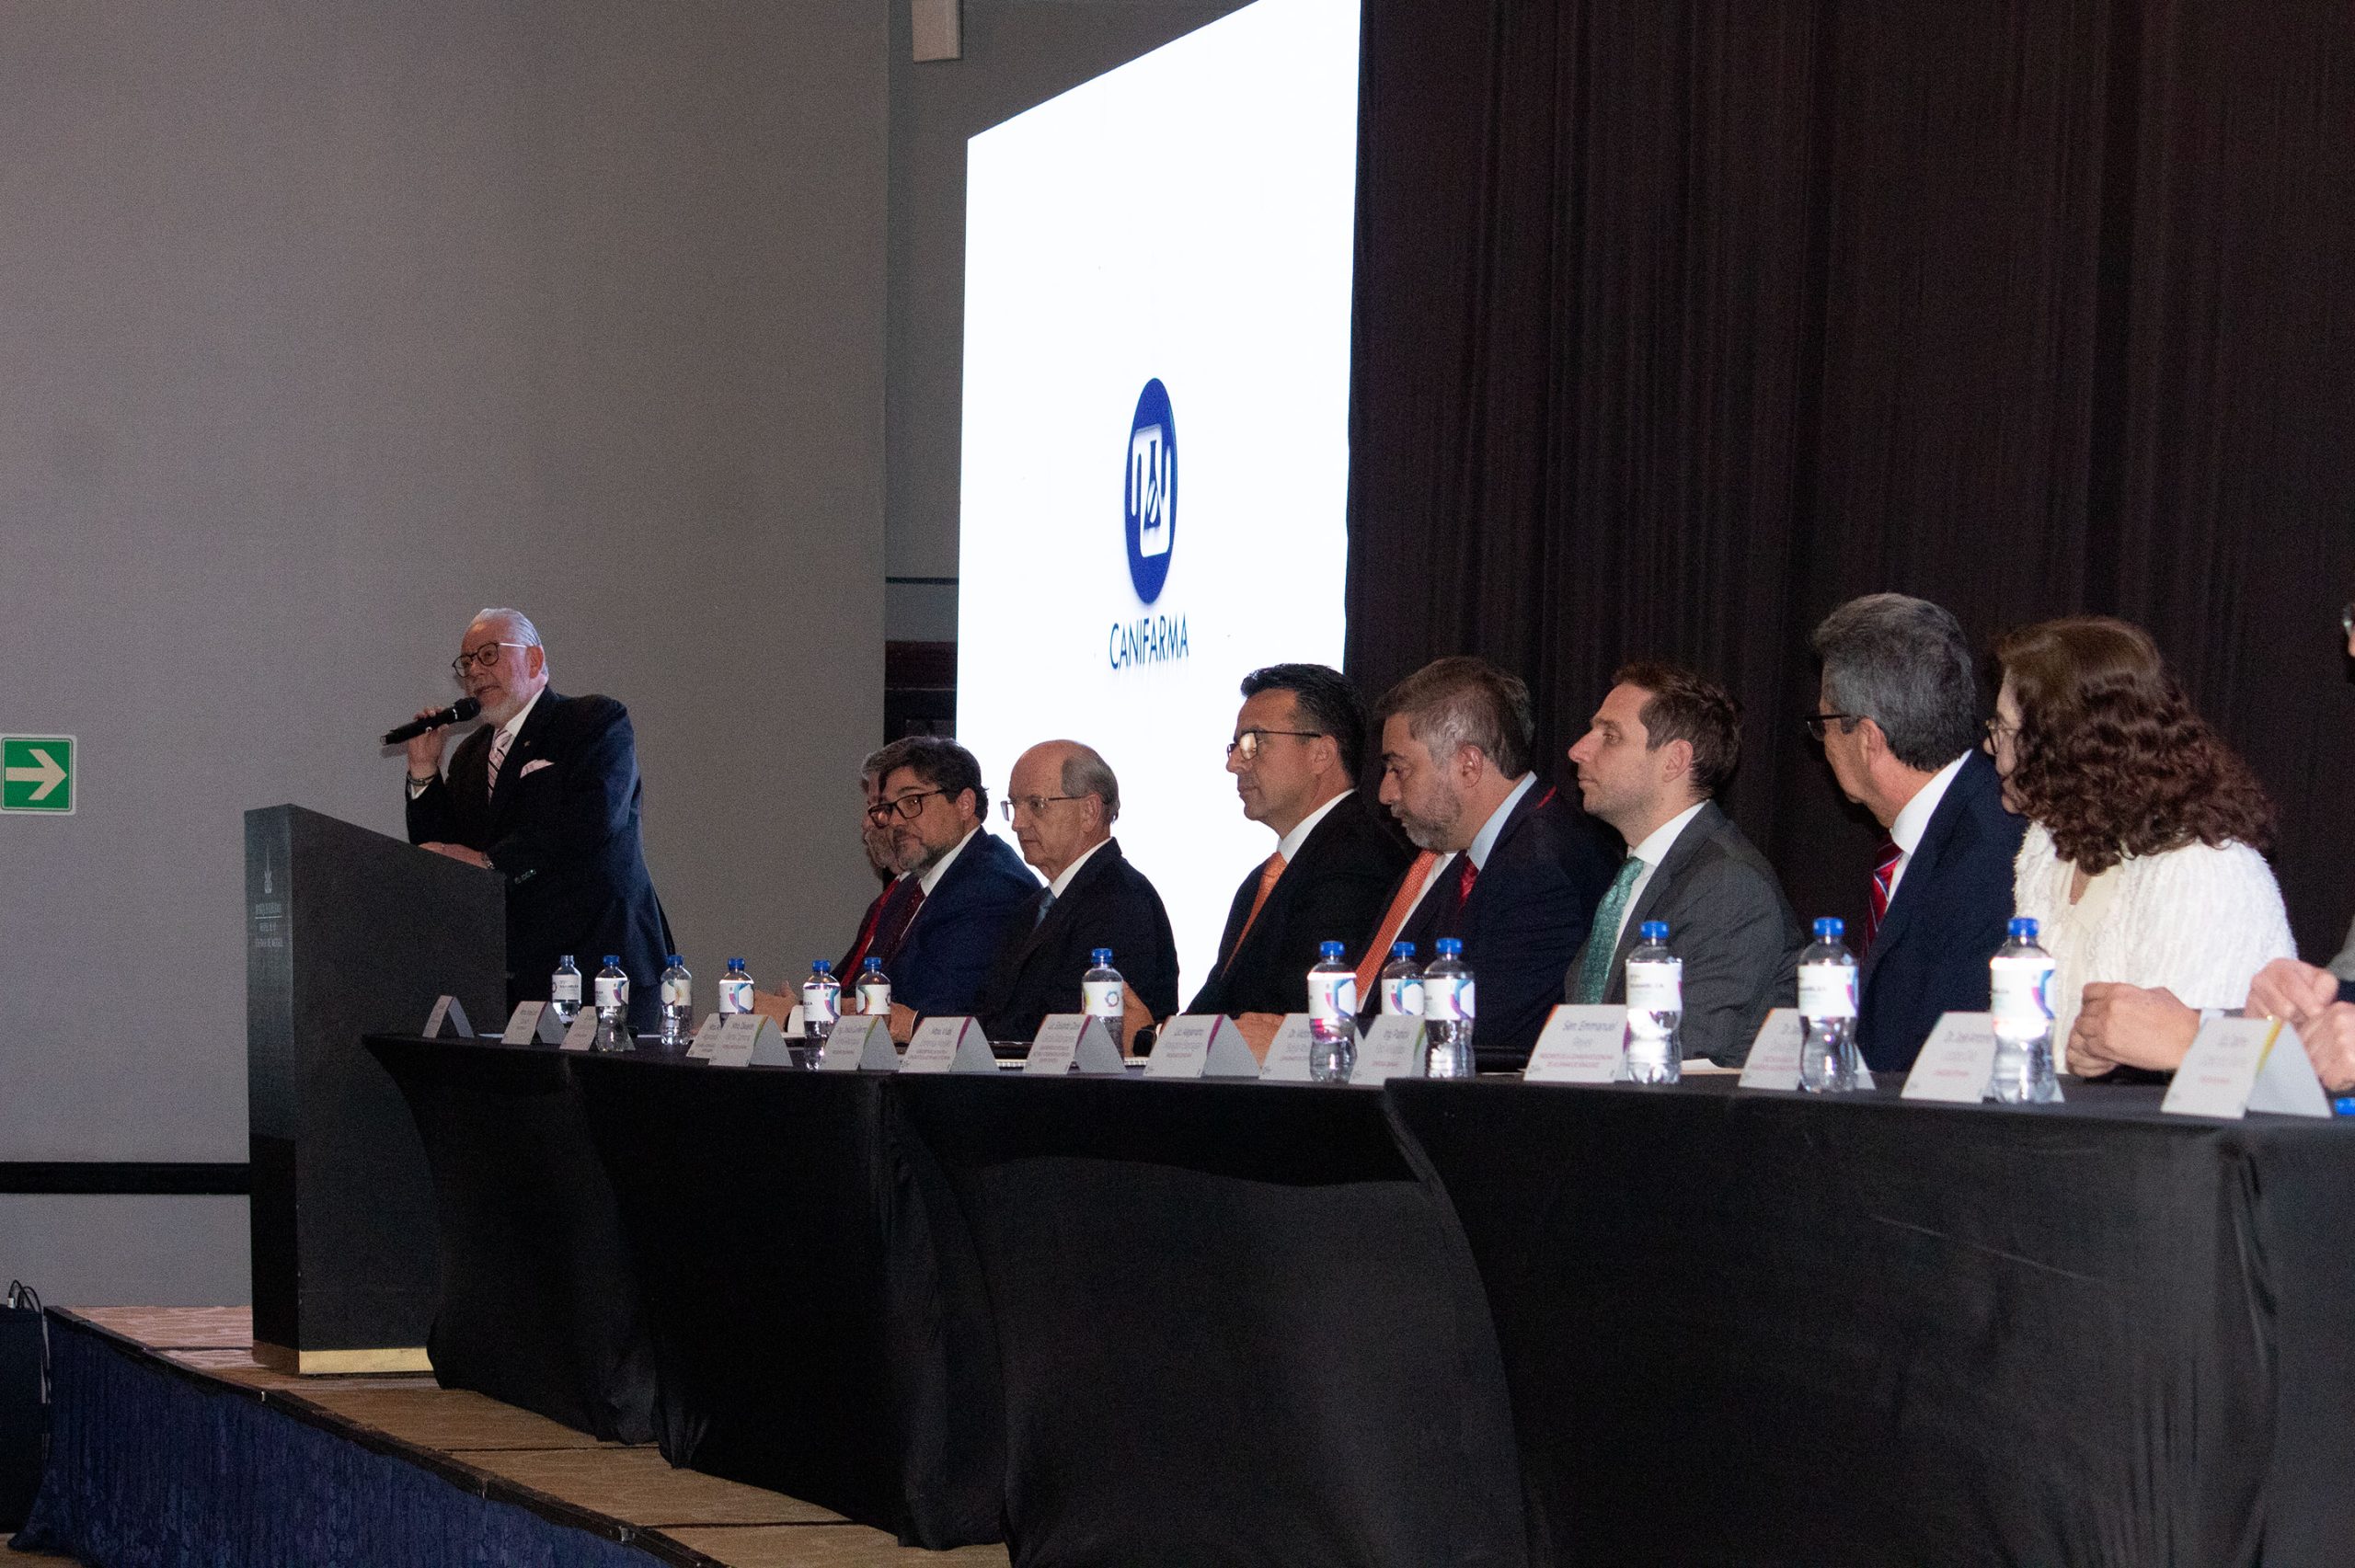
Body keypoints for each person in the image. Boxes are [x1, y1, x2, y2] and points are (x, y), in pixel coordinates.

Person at [1985, 617, 2293, 1077]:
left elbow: (2212, 1078)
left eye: (2007, 731)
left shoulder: (2204, 871)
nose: (1991, 746)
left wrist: (2116, 1062)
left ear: (2069, 749)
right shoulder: (2046, 845)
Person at [404, 608, 671, 1030]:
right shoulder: (471, 755)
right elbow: (443, 855)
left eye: (488, 655)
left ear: (534, 659)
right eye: (467, 662)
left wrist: (492, 862)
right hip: (518, 978)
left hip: (601, 966)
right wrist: (423, 771)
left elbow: (592, 819)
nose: (474, 671)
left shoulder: (592, 721)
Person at [1360, 657, 1616, 1069]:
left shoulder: (1541, 868)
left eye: (1398, 769)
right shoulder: (1486, 849)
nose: (1386, 792)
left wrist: (1323, 1033)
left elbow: (1475, 1031)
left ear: (1469, 765)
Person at [1806, 594, 2025, 1073]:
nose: (1822, 744)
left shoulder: (1990, 856)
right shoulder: (1951, 824)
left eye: (1824, 725)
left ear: (1868, 739)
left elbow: (1951, 1059)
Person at [1563, 663, 1800, 1066]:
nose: (1578, 750)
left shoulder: (1728, 886)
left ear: (1674, 760)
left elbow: (1683, 1056)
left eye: (1610, 736)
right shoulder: (1637, 876)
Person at [1186, 665, 1410, 1047]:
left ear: (1321, 753)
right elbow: (1217, 1004)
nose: (1234, 763)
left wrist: (1160, 1037)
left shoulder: (1356, 864)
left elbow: (1288, 1017)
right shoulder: (1262, 881)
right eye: (1234, 747)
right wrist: (1151, 1035)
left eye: (1253, 743)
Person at [971, 740, 1180, 1046]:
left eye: (1036, 804)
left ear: (1089, 811)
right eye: (1013, 805)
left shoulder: (1121, 900)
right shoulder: (1033, 908)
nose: (1017, 823)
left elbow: (1071, 1029)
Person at [859, 736, 1038, 1020]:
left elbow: (939, 1010)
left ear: (965, 804)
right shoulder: (909, 889)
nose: (895, 822)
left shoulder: (992, 888)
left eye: (912, 801)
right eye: (890, 808)